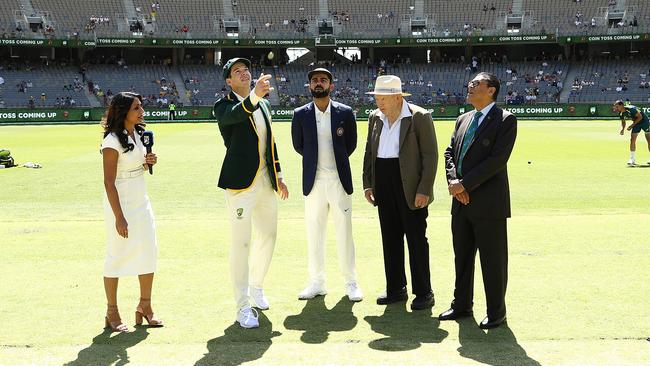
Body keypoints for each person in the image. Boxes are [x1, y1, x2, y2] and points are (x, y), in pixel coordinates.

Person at [212, 57, 289, 329]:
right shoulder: (222, 106)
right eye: (237, 72)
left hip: (266, 183)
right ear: (229, 81)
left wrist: (278, 175)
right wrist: (255, 96)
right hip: (240, 185)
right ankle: (242, 306)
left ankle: (256, 286)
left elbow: (271, 142)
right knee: (241, 244)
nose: (244, 74)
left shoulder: (265, 104)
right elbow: (236, 114)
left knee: (269, 236)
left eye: (246, 70)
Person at [440, 72, 517, 329]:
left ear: (492, 90)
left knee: (492, 261)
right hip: (460, 203)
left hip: (488, 205)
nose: (470, 87)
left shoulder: (505, 120)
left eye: (476, 84)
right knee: (462, 258)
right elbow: (450, 152)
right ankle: (461, 305)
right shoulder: (463, 118)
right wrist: (453, 182)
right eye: (470, 83)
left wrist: (465, 184)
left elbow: (497, 160)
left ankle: (497, 312)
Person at [362, 75, 438, 311]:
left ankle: (424, 292)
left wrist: (424, 189)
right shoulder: (374, 118)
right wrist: (368, 183)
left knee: (416, 239)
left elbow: (430, 156)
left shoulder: (419, 117)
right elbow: (369, 152)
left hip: (410, 184)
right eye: (376, 98)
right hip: (383, 182)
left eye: (383, 98)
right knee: (390, 238)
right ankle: (395, 288)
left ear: (397, 97)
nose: (379, 103)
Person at [291, 68, 362, 302]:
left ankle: (351, 282)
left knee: (345, 233)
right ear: (309, 86)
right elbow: (299, 146)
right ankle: (317, 282)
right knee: (314, 233)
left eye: (323, 80)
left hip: (339, 180)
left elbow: (350, 144)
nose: (318, 84)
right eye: (314, 81)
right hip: (314, 183)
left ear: (331, 86)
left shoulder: (345, 112)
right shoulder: (300, 114)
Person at [100, 92, 162, 332]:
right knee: (116, 254)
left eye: (141, 106)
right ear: (124, 112)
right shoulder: (111, 142)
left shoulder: (137, 134)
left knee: (148, 249)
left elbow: (137, 167)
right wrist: (119, 217)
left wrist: (148, 162)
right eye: (137, 108)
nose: (142, 111)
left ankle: (145, 306)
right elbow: (108, 182)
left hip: (140, 199)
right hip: (120, 202)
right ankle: (112, 312)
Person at [613, 100, 650, 165]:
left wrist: (631, 126)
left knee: (649, 140)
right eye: (615, 107)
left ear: (621, 105)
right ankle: (632, 159)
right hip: (636, 123)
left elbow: (640, 117)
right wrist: (623, 129)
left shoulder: (631, 109)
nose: (615, 108)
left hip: (645, 122)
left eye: (617, 106)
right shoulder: (621, 113)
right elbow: (623, 121)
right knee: (632, 140)